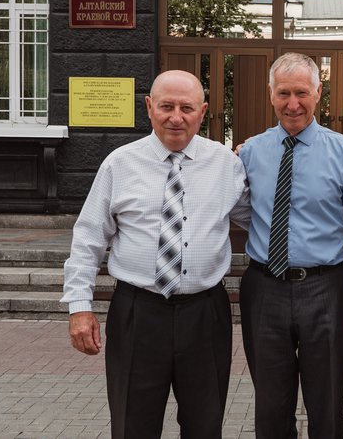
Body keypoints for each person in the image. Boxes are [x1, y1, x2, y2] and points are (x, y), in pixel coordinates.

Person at [61, 70, 249, 439]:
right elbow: (88, 237)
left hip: (205, 314)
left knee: (204, 426)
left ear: (203, 111)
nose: (175, 117)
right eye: (166, 106)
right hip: (138, 313)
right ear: (149, 107)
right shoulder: (120, 163)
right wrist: (79, 307)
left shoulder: (227, 164)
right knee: (133, 425)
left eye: (186, 107)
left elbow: (260, 219)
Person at [237, 52, 343, 439]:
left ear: (318, 92)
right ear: (270, 94)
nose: (292, 103)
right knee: (270, 407)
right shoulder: (249, 153)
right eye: (283, 93)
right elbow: (241, 211)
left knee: (326, 406)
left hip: (325, 288)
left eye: (302, 92)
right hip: (264, 288)